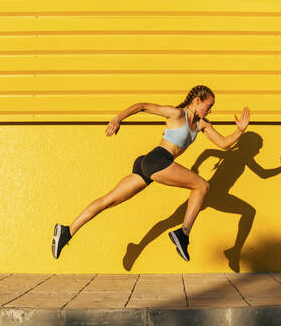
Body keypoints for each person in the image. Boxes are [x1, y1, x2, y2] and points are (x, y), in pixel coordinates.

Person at [52, 85, 250, 262]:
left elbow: (223, 144)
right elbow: (143, 106)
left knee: (110, 201)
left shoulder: (201, 125)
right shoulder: (176, 114)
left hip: (149, 164)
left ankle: (67, 230)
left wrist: (240, 131)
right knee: (202, 186)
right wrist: (117, 119)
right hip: (158, 160)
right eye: (209, 105)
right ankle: (183, 234)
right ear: (197, 101)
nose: (210, 110)